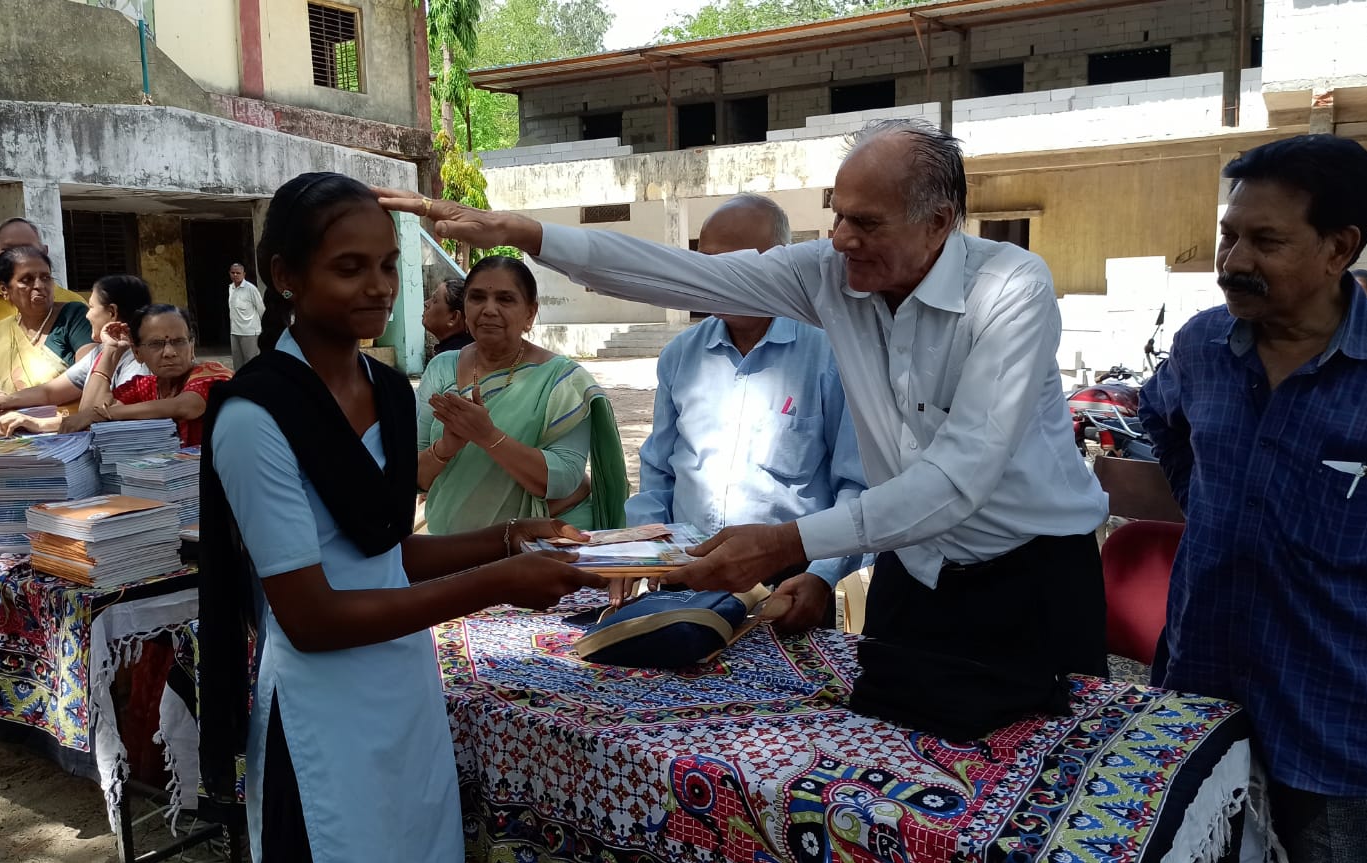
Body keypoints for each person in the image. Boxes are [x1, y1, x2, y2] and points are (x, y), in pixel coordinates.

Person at [380, 118, 1110, 735]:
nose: (841, 239)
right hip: (913, 573)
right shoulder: (830, 275)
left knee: (1056, 783)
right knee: (887, 765)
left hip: (1029, 577)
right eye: (837, 215)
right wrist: (528, 232)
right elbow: (680, 274)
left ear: (940, 223)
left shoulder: (1010, 288)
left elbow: (957, 480)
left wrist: (791, 546)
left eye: (866, 223)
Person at [197, 171, 604, 863]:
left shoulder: (387, 389)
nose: (379, 287)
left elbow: (385, 552)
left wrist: (510, 536)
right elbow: (312, 615)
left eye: (388, 265)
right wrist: (498, 582)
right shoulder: (257, 415)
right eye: (349, 267)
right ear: (285, 276)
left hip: (402, 678)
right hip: (323, 704)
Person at [1138, 134, 1367, 863]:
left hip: (1348, 735)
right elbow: (1159, 415)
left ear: (1338, 248)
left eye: (1265, 240)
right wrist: (1212, 501)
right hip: (1201, 709)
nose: (1232, 261)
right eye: (1228, 235)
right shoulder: (1201, 347)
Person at [626, 195, 868, 633]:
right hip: (686, 575)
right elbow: (658, 469)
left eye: (733, 264)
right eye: (706, 263)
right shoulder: (681, 354)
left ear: (780, 263)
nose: (715, 278)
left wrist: (822, 575)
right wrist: (647, 552)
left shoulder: (831, 353)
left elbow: (856, 484)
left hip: (787, 584)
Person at [414, 257, 630, 535]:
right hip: (454, 546)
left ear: (530, 313)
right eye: (477, 298)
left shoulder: (562, 380)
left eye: (505, 299)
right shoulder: (441, 369)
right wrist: (445, 448)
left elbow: (564, 478)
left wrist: (488, 437)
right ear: (464, 309)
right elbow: (414, 477)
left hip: (540, 545)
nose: (489, 309)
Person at [0, 274, 153, 437]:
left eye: (91, 307)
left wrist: (38, 423)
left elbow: (100, 416)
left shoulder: (138, 361)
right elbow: (49, 392)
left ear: (112, 312)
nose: (87, 315)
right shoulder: (100, 352)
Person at [62, 304, 231, 447]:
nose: (169, 352)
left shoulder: (211, 373)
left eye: (179, 342)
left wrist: (101, 414)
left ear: (191, 346)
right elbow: (89, 413)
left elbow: (185, 407)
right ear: (137, 353)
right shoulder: (144, 386)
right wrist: (111, 350)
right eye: (156, 344)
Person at [0, 217, 83, 375]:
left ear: (44, 252)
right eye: (8, 251)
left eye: (27, 249)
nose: (20, 257)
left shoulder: (74, 307)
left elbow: (91, 367)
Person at [0, 246, 93, 394]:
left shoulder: (73, 316)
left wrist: (14, 400)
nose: (39, 285)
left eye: (46, 278)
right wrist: (5, 400)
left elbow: (89, 375)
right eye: (26, 280)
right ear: (4, 289)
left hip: (74, 410)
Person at [227, 263, 264, 370]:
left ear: (244, 274)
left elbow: (261, 309)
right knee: (237, 364)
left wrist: (262, 328)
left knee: (251, 363)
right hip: (235, 332)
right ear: (229, 273)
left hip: (250, 333)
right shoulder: (231, 288)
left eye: (238, 273)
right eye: (233, 273)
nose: (235, 275)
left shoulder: (251, 289)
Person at [423, 277, 473, 353]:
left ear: (453, 317)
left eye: (434, 300)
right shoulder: (471, 350)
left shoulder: (453, 357)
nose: (426, 303)